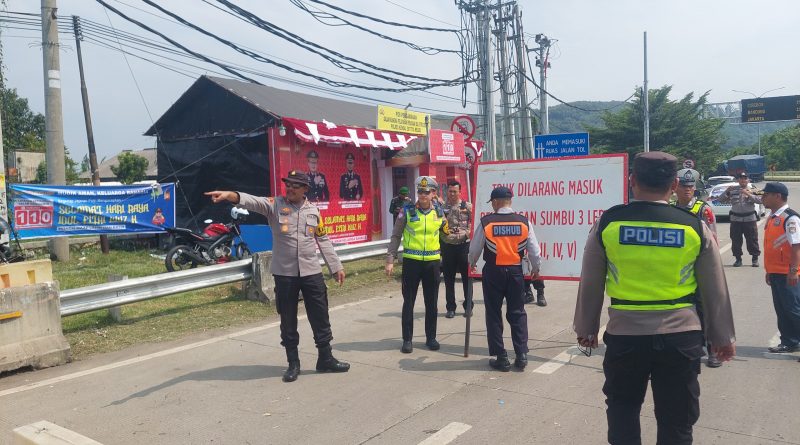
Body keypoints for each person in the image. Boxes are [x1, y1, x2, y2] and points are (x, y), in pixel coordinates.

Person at [574, 152, 736, 444]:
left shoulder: (608, 223)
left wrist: (586, 329)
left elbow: (591, 282)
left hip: (625, 337)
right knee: (678, 419)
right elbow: (715, 288)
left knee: (623, 411)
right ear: (674, 185)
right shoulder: (692, 227)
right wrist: (722, 337)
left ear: (632, 181)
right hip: (681, 339)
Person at [205, 170, 349, 383]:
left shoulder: (313, 211)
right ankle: (293, 363)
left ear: (305, 189)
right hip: (285, 274)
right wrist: (229, 195)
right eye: (288, 184)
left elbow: (323, 239)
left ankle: (325, 358)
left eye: (295, 185)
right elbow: (252, 201)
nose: (289, 188)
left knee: (320, 316)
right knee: (288, 319)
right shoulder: (274, 205)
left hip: (311, 272)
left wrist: (336, 267)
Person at [469, 186, 540, 371]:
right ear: (510, 201)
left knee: (493, 313)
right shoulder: (524, 222)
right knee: (517, 312)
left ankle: (501, 357)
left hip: (493, 271)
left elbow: (475, 248)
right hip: (516, 272)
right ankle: (521, 354)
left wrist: (472, 262)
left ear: (495, 202)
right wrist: (536, 269)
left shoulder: (487, 222)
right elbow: (534, 250)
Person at [386, 176, 449, 353]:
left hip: (432, 263)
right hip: (411, 262)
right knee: (409, 302)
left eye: (426, 192)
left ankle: (431, 338)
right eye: (420, 191)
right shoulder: (406, 211)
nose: (422, 195)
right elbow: (396, 235)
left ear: (433, 193)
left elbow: (446, 235)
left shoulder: (439, 212)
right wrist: (390, 259)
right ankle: (407, 340)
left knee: (432, 302)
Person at [672, 168, 721, 368]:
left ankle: (713, 349)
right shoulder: (670, 209)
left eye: (691, 186)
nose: (688, 190)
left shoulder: (703, 209)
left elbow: (713, 240)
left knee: (706, 309)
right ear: (675, 187)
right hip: (677, 268)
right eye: (684, 186)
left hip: (700, 267)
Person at [760, 182, 800, 355]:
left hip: (788, 273)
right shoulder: (773, 217)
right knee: (782, 310)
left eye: (766, 195)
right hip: (776, 272)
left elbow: (796, 246)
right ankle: (789, 342)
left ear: (777, 196)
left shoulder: (790, 218)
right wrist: (769, 270)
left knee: (794, 310)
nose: (763, 198)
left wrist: (793, 271)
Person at [441, 180, 473, 318]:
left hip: (463, 245)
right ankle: (450, 307)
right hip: (447, 245)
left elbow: (474, 221)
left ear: (460, 192)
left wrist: (467, 233)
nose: (452, 194)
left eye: (455, 191)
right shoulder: (441, 207)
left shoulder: (467, 206)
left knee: (467, 278)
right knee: (449, 279)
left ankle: (468, 306)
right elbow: (438, 224)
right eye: (450, 191)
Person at [718, 171, 761, 267]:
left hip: (749, 219)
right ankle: (738, 259)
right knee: (736, 240)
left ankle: (755, 259)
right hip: (736, 219)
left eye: (745, 178)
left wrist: (748, 194)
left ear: (748, 180)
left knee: (752, 240)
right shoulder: (732, 190)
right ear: (738, 180)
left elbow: (761, 200)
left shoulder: (754, 190)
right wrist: (726, 191)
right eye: (741, 178)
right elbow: (720, 200)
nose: (743, 180)